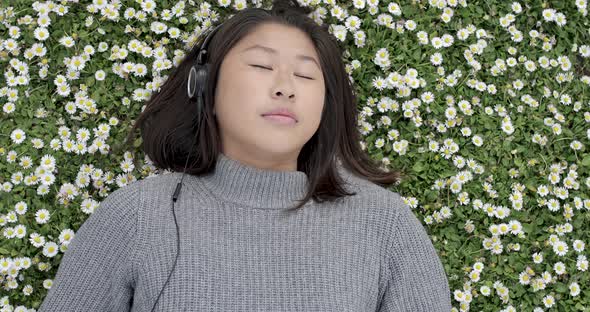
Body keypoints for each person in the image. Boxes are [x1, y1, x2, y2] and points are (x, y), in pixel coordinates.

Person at [38, 0, 453, 311]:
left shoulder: (387, 225)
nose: (286, 88)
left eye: (306, 75)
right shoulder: (135, 216)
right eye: (260, 66)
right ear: (205, 88)